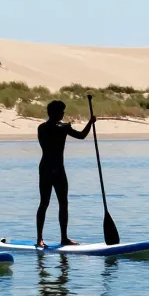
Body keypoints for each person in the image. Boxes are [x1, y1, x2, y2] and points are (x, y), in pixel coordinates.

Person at [36, 99, 95, 248]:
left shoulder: (45, 127)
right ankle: (41, 239)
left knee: (61, 203)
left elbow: (69, 131)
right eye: (61, 111)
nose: (63, 114)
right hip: (51, 169)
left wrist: (68, 126)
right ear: (53, 113)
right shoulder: (51, 128)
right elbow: (81, 136)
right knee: (46, 203)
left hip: (50, 168)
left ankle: (62, 238)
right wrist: (90, 123)